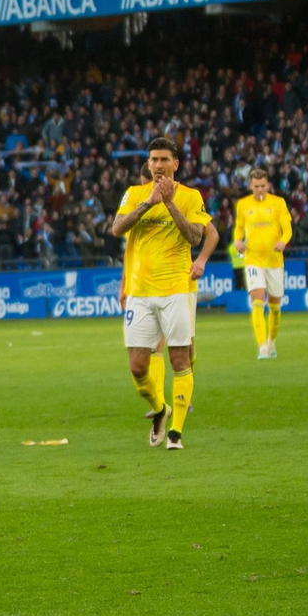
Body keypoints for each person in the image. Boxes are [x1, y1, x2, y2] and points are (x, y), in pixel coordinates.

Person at [109, 137, 212, 451]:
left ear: (175, 164)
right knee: (138, 367)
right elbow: (117, 228)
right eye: (153, 160)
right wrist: (149, 203)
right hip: (139, 292)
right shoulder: (135, 193)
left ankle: (176, 433)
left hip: (175, 290)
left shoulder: (191, 196)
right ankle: (159, 409)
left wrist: (169, 203)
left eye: (163, 160)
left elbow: (196, 235)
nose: (157, 165)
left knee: (179, 357)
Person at [234, 168, 292, 360]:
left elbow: (287, 228)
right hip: (253, 260)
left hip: (274, 261)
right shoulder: (243, 204)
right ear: (250, 185)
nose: (260, 189)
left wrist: (283, 241)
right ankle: (262, 348)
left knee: (275, 307)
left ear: (268, 185)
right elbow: (239, 228)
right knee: (257, 301)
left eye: (263, 186)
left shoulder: (278, 203)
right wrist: (237, 241)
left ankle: (271, 342)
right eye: (256, 186)